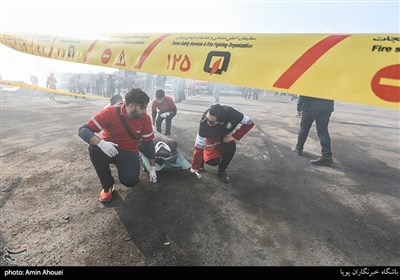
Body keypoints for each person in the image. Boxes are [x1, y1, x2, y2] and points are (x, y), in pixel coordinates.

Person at [78, 88, 157, 203]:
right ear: (131, 106)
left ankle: (125, 166)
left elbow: (149, 144)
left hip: (129, 151)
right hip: (109, 148)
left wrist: (153, 168)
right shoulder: (110, 112)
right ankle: (107, 187)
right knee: (94, 148)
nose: (145, 111)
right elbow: (83, 130)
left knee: (130, 181)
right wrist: (101, 143)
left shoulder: (145, 119)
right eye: (143, 107)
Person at [190, 104, 255, 184]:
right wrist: (195, 166)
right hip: (211, 135)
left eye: (211, 121)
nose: (207, 122)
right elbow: (199, 147)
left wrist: (234, 136)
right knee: (213, 161)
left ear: (220, 120)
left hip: (225, 133)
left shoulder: (232, 114)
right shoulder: (204, 124)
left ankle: (222, 171)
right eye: (207, 119)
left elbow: (250, 123)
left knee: (230, 148)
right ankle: (202, 161)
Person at [292, 95, 334, 165]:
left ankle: (298, 149)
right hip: (326, 107)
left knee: (304, 128)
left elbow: (304, 92)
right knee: (323, 131)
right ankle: (327, 156)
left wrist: (299, 109)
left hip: (311, 106)